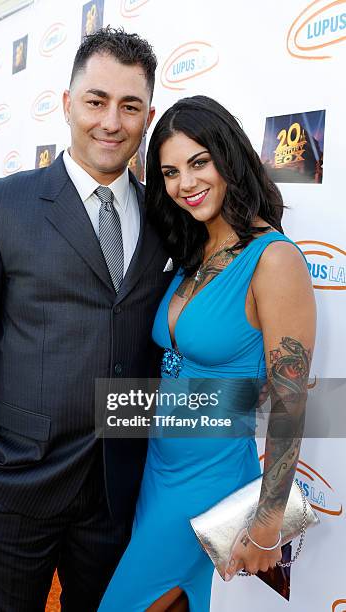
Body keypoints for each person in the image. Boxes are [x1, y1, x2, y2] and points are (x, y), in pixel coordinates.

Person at [0, 28, 173, 612]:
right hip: (11, 488)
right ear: (67, 103)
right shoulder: (0, 205)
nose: (111, 122)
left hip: (117, 488)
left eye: (130, 105)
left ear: (149, 115)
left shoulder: (168, 215)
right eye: (96, 101)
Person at [98, 96, 316, 611]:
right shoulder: (193, 251)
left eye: (199, 162)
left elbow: (290, 400)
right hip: (157, 469)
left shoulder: (275, 260)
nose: (185, 183)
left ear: (229, 157)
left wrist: (267, 520)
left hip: (210, 479)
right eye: (170, 172)